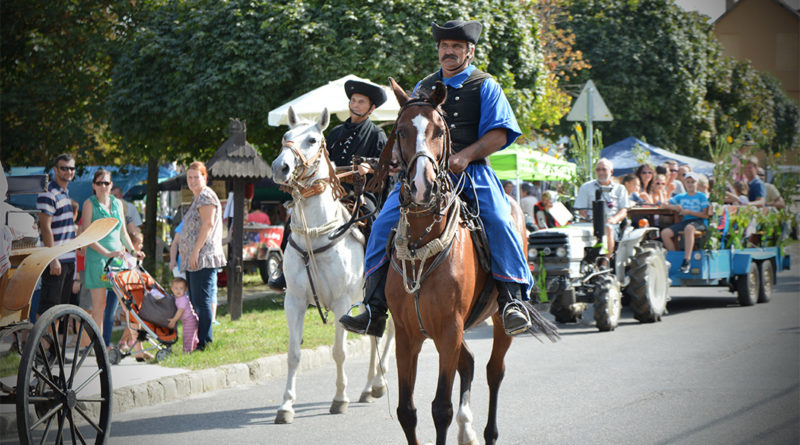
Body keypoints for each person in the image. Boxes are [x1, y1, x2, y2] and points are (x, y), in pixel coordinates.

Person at [340, 19, 533, 337]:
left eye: (457, 47)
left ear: (469, 52)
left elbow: (500, 133)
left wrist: (465, 155)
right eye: (445, 46)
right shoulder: (422, 87)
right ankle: (374, 307)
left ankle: (513, 300)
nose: (449, 51)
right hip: (422, 173)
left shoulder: (485, 85)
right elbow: (408, 130)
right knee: (383, 223)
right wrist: (398, 162)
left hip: (472, 171)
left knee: (500, 218)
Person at [268, 79, 388, 292]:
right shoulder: (334, 133)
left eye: (361, 102)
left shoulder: (377, 134)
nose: (356, 104)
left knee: (371, 216)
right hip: (329, 191)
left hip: (360, 193)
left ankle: (374, 271)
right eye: (353, 100)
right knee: (297, 212)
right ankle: (285, 273)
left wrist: (370, 166)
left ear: (371, 108)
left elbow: (386, 165)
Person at [81, 168, 145, 350]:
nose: (103, 186)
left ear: (111, 185)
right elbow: (87, 236)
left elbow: (123, 232)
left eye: (106, 183)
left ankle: (139, 349)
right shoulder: (89, 204)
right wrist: (107, 253)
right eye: (99, 183)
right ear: (93, 185)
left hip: (118, 260)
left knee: (129, 304)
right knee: (99, 308)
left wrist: (133, 252)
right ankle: (99, 349)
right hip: (97, 260)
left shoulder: (117, 203)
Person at [178, 161, 226, 351]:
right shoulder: (197, 198)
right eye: (189, 177)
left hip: (203, 256)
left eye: (196, 177)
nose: (192, 181)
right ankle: (199, 340)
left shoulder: (206, 196)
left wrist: (195, 250)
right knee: (196, 300)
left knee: (202, 301)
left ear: (204, 178)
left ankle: (205, 342)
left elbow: (207, 225)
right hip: (194, 258)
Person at [36, 154, 78, 317]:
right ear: (55, 170)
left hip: (68, 260)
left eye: (71, 168)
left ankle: (53, 343)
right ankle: (41, 343)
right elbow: (45, 228)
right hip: (56, 260)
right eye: (64, 168)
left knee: (60, 310)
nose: (68, 171)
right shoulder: (48, 193)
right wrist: (53, 258)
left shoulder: (65, 193)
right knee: (48, 309)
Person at [574, 158, 629, 255]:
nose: (601, 172)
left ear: (611, 171)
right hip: (590, 223)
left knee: (608, 227)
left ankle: (605, 262)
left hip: (612, 224)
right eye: (598, 169)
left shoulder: (620, 188)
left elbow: (623, 210)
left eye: (604, 169)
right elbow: (581, 210)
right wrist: (590, 219)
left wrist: (614, 219)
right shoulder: (586, 187)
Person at [660, 172, 711, 273]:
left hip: (699, 222)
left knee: (689, 228)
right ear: (684, 183)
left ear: (697, 184)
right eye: (688, 182)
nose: (690, 184)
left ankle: (686, 260)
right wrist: (674, 207)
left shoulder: (701, 196)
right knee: (665, 233)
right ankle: (676, 257)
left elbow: (705, 215)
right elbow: (664, 204)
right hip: (686, 221)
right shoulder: (681, 196)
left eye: (693, 182)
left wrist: (689, 212)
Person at [167, 277, 199, 353]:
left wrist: (174, 320)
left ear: (185, 289)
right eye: (176, 288)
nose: (178, 290)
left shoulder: (182, 299)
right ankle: (195, 348)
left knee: (187, 337)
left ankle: (187, 351)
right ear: (172, 289)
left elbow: (180, 311)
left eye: (181, 288)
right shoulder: (176, 297)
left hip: (190, 321)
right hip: (189, 320)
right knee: (192, 337)